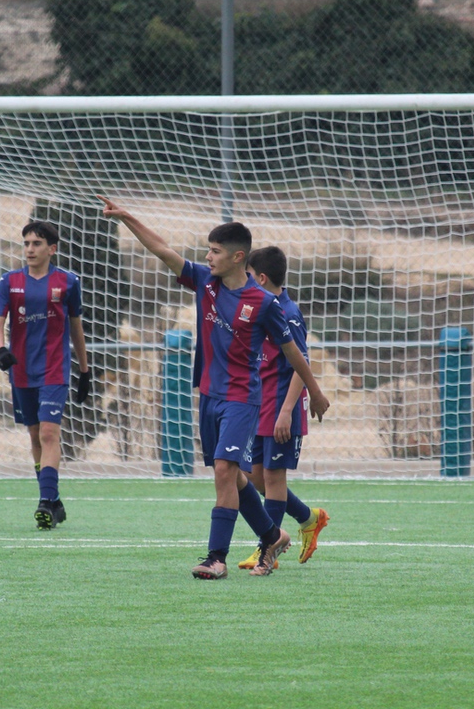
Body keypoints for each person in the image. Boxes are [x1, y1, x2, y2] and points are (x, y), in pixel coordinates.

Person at [101, 197, 331, 579]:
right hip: (208, 396)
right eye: (208, 249)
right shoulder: (205, 283)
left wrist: (316, 393)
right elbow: (163, 251)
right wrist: (128, 218)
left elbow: (293, 352)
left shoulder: (264, 303)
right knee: (238, 477)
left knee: (225, 471)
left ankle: (215, 558)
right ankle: (272, 534)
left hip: (243, 398)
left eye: (215, 251)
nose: (208, 256)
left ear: (239, 257)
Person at [0, 220, 91, 530]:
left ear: (52, 249)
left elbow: (75, 326)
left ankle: (45, 502)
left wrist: (84, 370)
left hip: (54, 369)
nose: (30, 249)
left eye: (36, 243)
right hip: (21, 370)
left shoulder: (68, 282)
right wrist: (1, 350)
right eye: (26, 243)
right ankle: (53, 497)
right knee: (34, 436)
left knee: (49, 433)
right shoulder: (10, 281)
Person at [236, 246, 329, 571]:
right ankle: (308, 517)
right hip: (259, 408)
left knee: (274, 478)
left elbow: (299, 366)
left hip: (280, 409)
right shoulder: (262, 309)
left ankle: (267, 551)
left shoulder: (287, 313)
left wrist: (287, 410)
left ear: (260, 278)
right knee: (253, 477)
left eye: (248, 277)